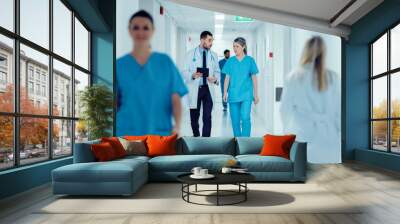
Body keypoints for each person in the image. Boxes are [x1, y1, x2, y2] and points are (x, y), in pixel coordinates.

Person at [116, 10, 188, 136]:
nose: (140, 32)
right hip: (126, 132)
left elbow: (175, 99)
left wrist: (177, 127)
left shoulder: (164, 62)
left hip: (160, 132)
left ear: (152, 30)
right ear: (129, 30)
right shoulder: (119, 65)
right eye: (136, 28)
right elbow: (114, 102)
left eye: (145, 28)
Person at [280, 36, 341, 163]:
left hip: (302, 135)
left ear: (305, 51)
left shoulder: (294, 76)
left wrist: (285, 132)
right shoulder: (333, 77)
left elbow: (284, 109)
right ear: (324, 53)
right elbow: (338, 111)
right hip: (328, 138)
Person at [183, 31, 220, 137]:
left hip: (208, 89)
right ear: (202, 40)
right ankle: (196, 136)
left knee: (207, 117)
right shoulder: (190, 54)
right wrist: (193, 75)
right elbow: (184, 71)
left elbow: (217, 71)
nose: (211, 43)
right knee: (194, 117)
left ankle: (205, 141)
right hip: (195, 88)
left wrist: (215, 79)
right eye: (209, 40)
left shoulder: (214, 55)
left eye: (212, 40)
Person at [223, 37, 259, 137]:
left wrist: (256, 95)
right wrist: (225, 92)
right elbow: (227, 78)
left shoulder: (250, 60)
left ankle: (245, 141)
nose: (234, 49)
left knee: (245, 117)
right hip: (233, 94)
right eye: (233, 46)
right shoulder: (230, 61)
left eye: (237, 46)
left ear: (243, 47)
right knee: (235, 120)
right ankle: (238, 141)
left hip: (246, 94)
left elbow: (254, 79)